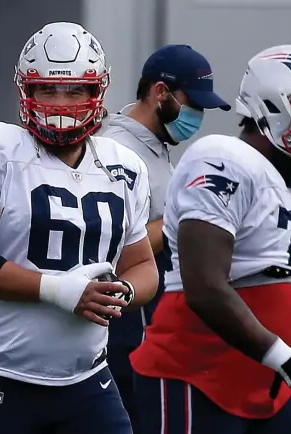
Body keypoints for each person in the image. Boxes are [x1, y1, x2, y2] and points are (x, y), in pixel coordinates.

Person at [0, 22, 158, 434]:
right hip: (0, 378)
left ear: (97, 92)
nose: (62, 102)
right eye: (47, 89)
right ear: (26, 90)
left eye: (76, 89)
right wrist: (62, 291)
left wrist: (121, 293)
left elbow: (143, 264)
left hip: (90, 382)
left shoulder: (124, 165)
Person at [131, 44, 291, 434]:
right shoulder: (224, 158)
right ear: (275, 108)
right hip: (195, 378)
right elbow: (206, 288)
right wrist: (289, 360)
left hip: (260, 382)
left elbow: (262, 250)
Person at [101, 44, 230, 432]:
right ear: (160, 93)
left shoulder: (153, 145)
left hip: (149, 317)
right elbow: (115, 244)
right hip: (124, 323)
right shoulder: (116, 149)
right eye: (194, 104)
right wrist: (185, 218)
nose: (198, 117)